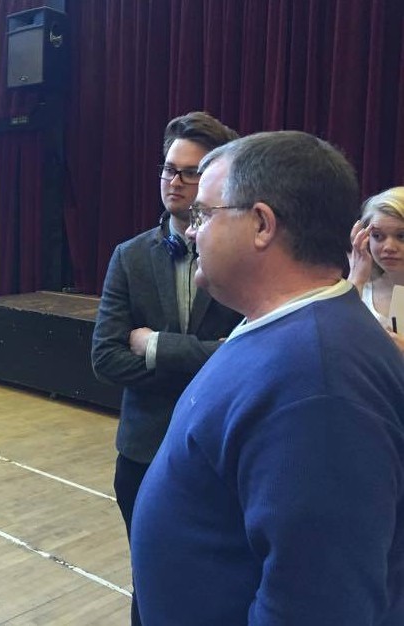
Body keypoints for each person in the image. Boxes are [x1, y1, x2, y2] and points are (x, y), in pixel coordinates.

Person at [132, 131, 404, 625]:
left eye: (204, 215)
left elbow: (317, 606)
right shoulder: (289, 333)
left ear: (261, 224)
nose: (191, 232)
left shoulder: (319, 381)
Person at [90, 111, 241, 625]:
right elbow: (106, 357)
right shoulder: (130, 256)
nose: (174, 182)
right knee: (150, 585)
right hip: (143, 454)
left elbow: (246, 357)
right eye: (168, 169)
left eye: (190, 172)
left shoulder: (240, 255)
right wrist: (206, 355)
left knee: (215, 584)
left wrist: (155, 345)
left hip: (219, 451)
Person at [348, 186, 404, 353]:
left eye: (401, 236)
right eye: (378, 236)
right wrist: (356, 278)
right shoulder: (359, 288)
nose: (388, 247)